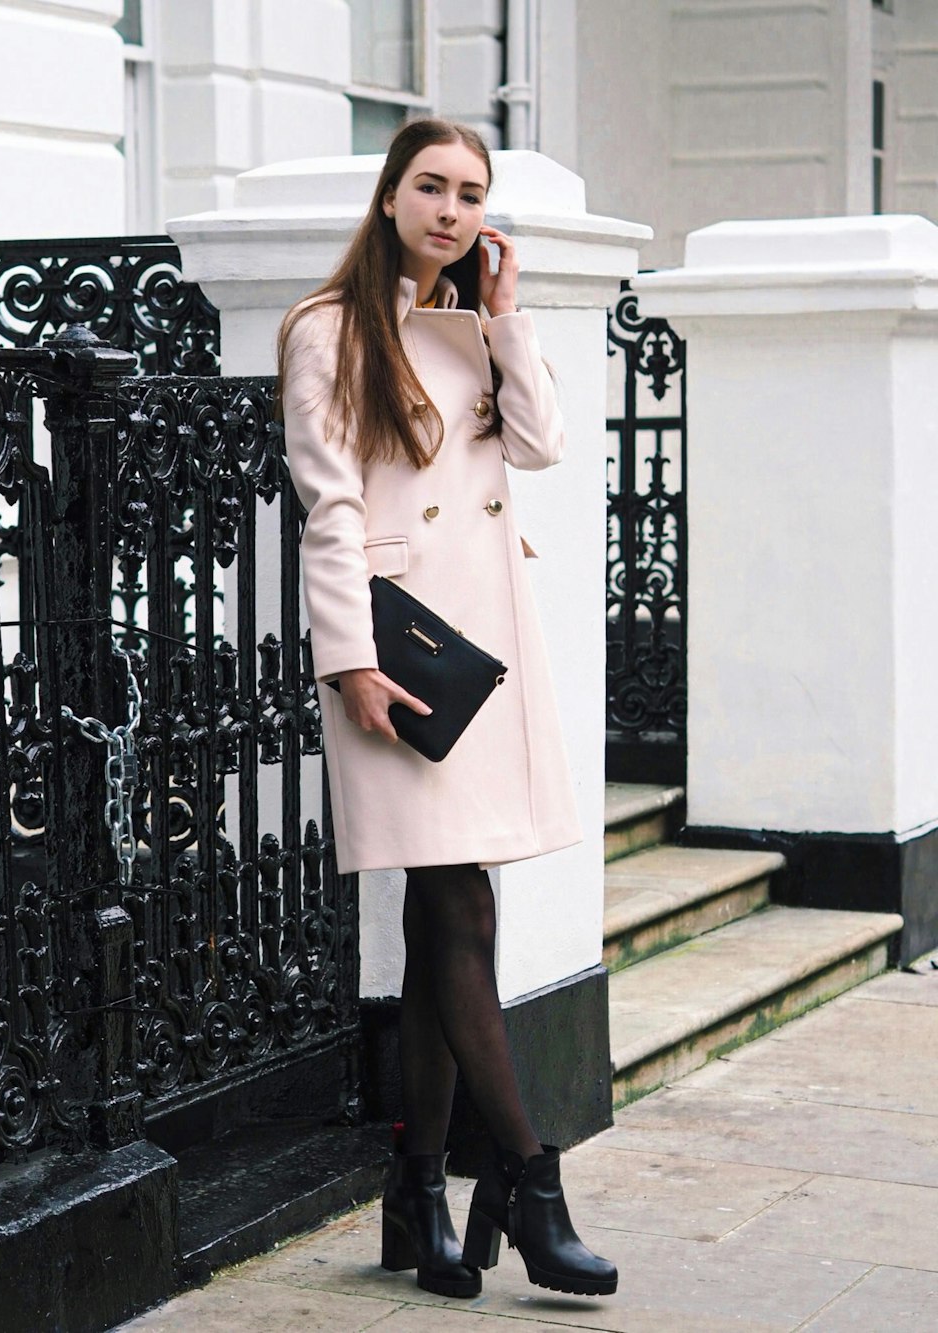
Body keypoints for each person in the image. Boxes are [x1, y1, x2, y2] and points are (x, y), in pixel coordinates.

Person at [278, 117, 617, 1301]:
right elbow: (328, 508)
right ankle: (527, 1181)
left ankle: (416, 1187)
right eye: (430, 186)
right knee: (456, 900)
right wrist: (352, 661)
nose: (451, 209)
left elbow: (544, 444)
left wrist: (510, 317)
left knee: (443, 926)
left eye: (470, 193)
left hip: (480, 653)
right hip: (402, 658)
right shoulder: (327, 332)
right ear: (388, 198)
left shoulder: (475, 332)